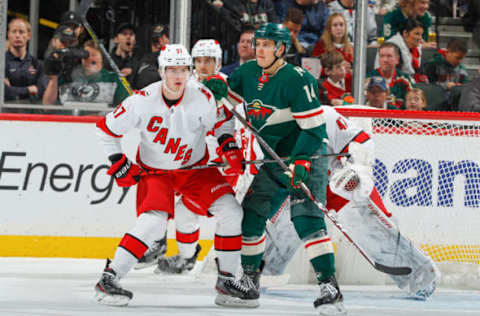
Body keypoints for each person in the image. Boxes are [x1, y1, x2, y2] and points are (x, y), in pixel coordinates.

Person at [93, 43, 258, 307]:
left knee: (231, 211)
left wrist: (228, 144)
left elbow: (221, 121)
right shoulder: (141, 101)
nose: (178, 76)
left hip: (194, 170)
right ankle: (110, 278)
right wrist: (119, 162)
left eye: (183, 69)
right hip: (156, 173)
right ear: (161, 71)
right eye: (172, 69)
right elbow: (105, 130)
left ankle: (227, 281)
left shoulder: (203, 96)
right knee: (153, 224)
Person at [205, 23, 346, 315]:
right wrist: (217, 83)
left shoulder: (298, 79)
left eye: (267, 45)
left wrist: (302, 162)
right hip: (272, 157)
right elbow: (226, 83)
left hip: (307, 154)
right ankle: (249, 283)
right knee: (252, 216)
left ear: (281, 49)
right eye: (258, 44)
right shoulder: (249, 72)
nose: (260, 49)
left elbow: (313, 129)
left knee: (306, 218)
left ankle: (329, 287)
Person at [42, 40, 130, 106]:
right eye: (86, 56)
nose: (90, 59)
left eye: (94, 55)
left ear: (102, 58)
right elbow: (47, 106)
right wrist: (53, 79)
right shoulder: (68, 78)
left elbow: (127, 108)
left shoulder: (114, 79)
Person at [4, 18, 48, 104]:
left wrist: (13, 90)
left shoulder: (37, 64)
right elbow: (4, 92)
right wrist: (29, 89)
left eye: (21, 32)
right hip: (6, 114)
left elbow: (41, 92)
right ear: (8, 35)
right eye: (14, 31)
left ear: (28, 35)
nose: (17, 35)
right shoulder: (2, 62)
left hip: (31, 113)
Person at [367, 42, 414, 108]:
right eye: (382, 56)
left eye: (389, 56)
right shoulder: (369, 79)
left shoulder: (404, 80)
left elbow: (413, 103)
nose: (385, 60)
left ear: (397, 59)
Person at [311, 13, 353, 77]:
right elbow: (315, 70)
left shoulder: (350, 48)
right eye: (335, 25)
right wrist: (337, 68)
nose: (339, 28)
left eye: (341, 25)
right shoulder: (321, 46)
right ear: (329, 29)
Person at [133, 24, 170, 89]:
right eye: (155, 40)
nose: (158, 44)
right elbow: (145, 80)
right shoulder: (146, 59)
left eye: (159, 40)